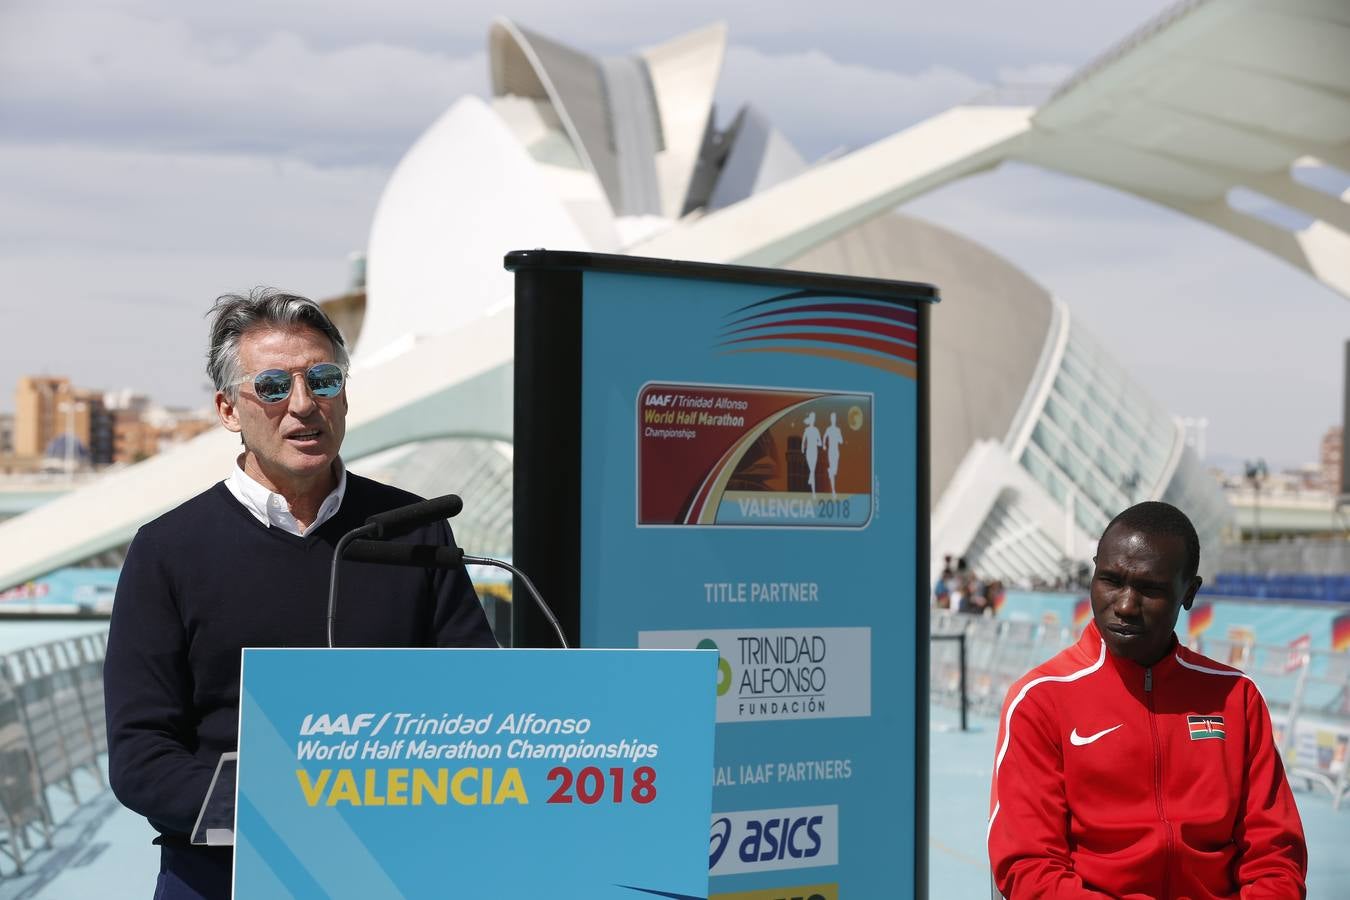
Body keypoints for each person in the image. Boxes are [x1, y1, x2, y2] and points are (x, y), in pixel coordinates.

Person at [103, 289, 498, 899]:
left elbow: (478, 697)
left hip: (395, 865)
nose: (304, 405)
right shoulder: (166, 550)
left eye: (323, 379)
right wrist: (277, 814)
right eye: (272, 387)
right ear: (228, 409)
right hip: (223, 875)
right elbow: (142, 753)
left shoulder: (414, 527)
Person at [987, 501, 1306, 899]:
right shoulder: (1040, 700)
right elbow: (1029, 866)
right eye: (1110, 580)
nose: (1124, 605)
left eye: (1149, 589)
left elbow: (1275, 856)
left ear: (1189, 592)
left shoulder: (1235, 697)